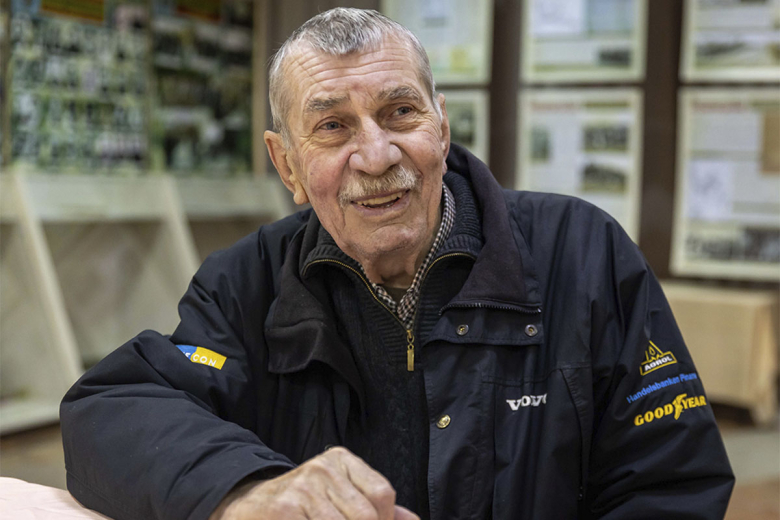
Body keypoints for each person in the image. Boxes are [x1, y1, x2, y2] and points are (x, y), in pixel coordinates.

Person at [60, 8, 735, 520]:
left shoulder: (582, 252)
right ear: (286, 165)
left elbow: (672, 483)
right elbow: (112, 410)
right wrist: (245, 489)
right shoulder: (247, 282)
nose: (377, 155)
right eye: (333, 126)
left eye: (400, 112)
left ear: (440, 128)